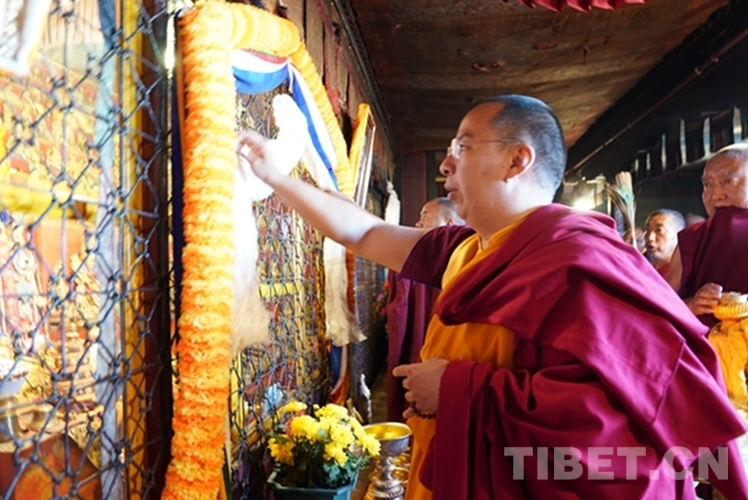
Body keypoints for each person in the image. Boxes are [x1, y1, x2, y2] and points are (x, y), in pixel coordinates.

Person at [238, 95, 748, 499]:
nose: (446, 165)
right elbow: (364, 232)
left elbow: (614, 424)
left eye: (462, 147)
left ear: (516, 159)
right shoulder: (466, 249)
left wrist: (458, 388)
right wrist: (274, 176)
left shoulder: (578, 260)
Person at [385, 198, 462, 422]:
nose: (418, 223)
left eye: (425, 215)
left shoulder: (471, 255)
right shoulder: (417, 252)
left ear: (449, 223)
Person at [667, 144, 748, 326]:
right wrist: (691, 305)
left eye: (728, 181)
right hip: (700, 342)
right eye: (708, 185)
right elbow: (661, 305)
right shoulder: (691, 239)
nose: (716, 194)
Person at [644, 208, 685, 278]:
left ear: (678, 235)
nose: (650, 238)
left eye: (659, 230)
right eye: (647, 229)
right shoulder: (639, 267)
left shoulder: (684, 273)